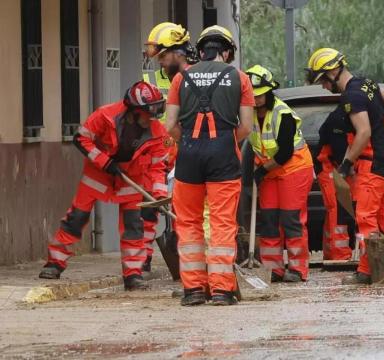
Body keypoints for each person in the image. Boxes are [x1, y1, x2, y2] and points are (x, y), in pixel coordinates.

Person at [38, 82, 169, 290]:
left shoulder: (157, 132)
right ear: (134, 112)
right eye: (148, 112)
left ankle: (133, 276)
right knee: (76, 218)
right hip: (98, 176)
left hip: (132, 180)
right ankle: (54, 263)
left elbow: (158, 168)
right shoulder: (105, 116)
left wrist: (160, 195)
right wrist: (105, 162)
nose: (152, 117)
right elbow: (81, 139)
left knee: (133, 227)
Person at [164, 25, 254, 306]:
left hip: (189, 157)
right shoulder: (240, 78)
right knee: (222, 223)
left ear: (201, 50)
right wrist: (226, 143)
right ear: (226, 51)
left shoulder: (181, 78)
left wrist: (190, 142)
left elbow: (170, 126)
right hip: (223, 157)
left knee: (188, 222)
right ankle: (221, 291)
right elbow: (247, 127)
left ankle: (193, 290)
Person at [306, 48, 384, 285]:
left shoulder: (351, 96)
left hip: (372, 161)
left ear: (334, 72)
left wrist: (346, 164)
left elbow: (364, 132)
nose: (325, 87)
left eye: (324, 81)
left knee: (365, 216)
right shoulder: (366, 84)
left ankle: (367, 271)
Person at [245, 65, 314, 283]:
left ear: (269, 91)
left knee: (291, 219)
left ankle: (297, 268)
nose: (256, 100)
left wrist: (261, 170)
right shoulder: (249, 114)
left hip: (293, 168)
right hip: (269, 170)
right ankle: (272, 269)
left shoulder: (282, 114)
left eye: (259, 95)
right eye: (252, 96)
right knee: (269, 220)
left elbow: (284, 152)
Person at [141, 22, 197, 271]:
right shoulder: (152, 79)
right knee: (149, 207)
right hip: (157, 153)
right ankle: (141, 260)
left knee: (186, 212)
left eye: (163, 56)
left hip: (187, 152)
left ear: (179, 52)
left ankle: (191, 264)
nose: (160, 62)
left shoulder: (197, 78)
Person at [316, 107, 352, 260]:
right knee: (337, 210)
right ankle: (340, 255)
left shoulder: (345, 116)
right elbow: (339, 150)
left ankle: (332, 252)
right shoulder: (339, 119)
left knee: (335, 210)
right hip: (330, 166)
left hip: (336, 166)